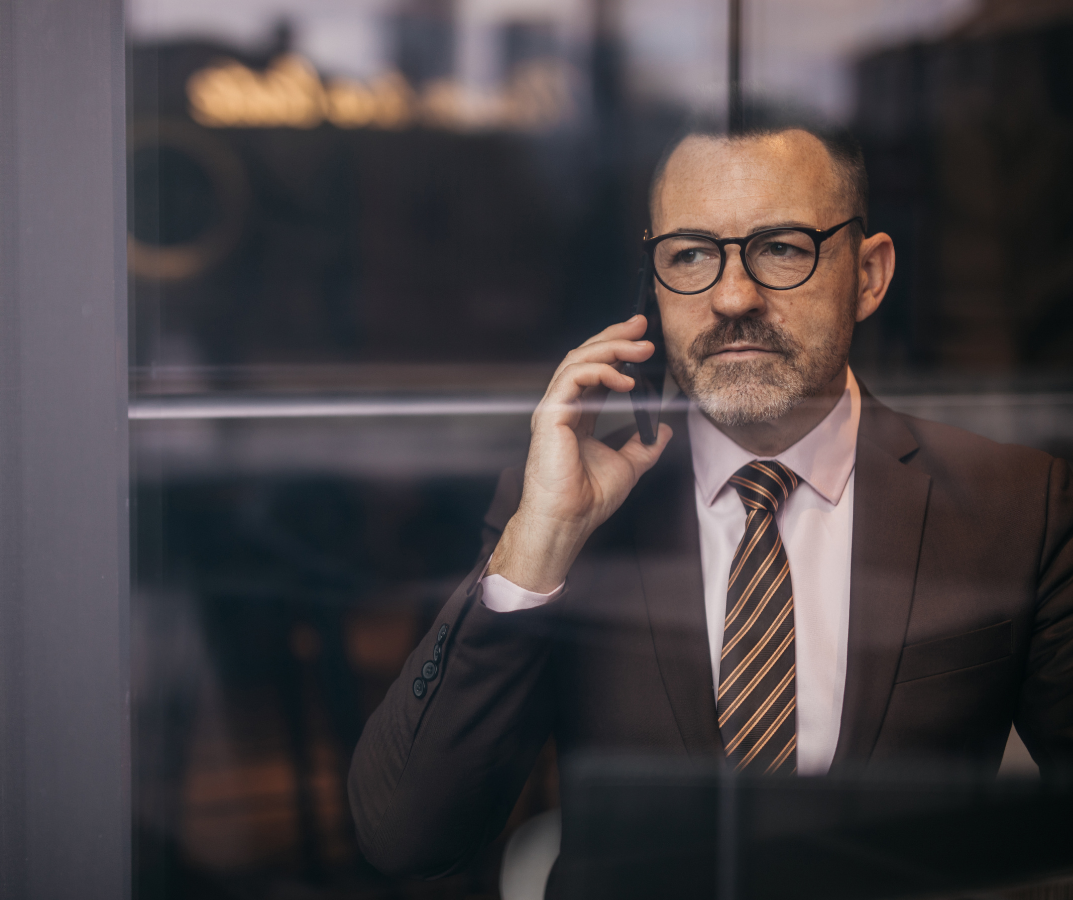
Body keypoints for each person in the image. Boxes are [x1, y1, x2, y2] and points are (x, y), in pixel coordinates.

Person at [346, 124, 1073, 879]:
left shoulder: (1014, 506)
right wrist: (540, 544)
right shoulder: (563, 513)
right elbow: (406, 834)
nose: (732, 297)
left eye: (782, 247)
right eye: (690, 255)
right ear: (653, 285)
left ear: (869, 275)